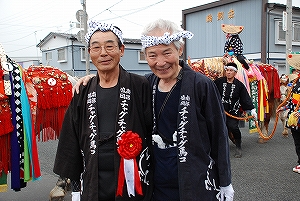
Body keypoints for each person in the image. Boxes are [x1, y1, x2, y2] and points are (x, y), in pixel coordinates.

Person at [76, 19, 234, 201]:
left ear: (179, 50)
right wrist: (91, 79)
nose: (160, 62)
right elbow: (116, 79)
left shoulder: (201, 85)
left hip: (193, 179)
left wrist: (225, 181)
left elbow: (219, 136)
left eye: (167, 53)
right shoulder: (146, 83)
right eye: (152, 55)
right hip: (155, 180)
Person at [53, 19, 153, 201]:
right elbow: (71, 140)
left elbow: (151, 128)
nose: (103, 53)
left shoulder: (140, 85)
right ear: (89, 52)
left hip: (131, 177)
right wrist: (75, 187)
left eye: (110, 46)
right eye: (96, 48)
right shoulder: (82, 90)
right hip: (92, 177)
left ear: (121, 50)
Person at [214, 62, 257, 158]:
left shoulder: (239, 85)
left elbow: (245, 98)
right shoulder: (219, 82)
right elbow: (211, 92)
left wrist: (251, 110)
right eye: (227, 70)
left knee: (233, 128)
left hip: (233, 112)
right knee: (219, 129)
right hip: (220, 112)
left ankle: (238, 146)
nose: (228, 72)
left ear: (235, 72)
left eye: (231, 71)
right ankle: (219, 149)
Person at [277, 53, 300, 174]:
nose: (297, 70)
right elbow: (291, 100)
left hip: (298, 114)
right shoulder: (295, 81)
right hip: (294, 115)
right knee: (297, 139)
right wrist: (283, 107)